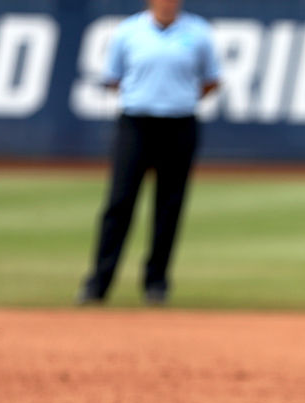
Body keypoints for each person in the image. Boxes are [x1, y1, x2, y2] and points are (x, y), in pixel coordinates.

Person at [78, 0, 220, 306]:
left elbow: (211, 80)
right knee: (119, 202)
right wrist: (144, 96)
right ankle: (98, 283)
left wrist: (177, 98)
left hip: (180, 123)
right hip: (136, 123)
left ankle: (156, 283)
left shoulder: (198, 32)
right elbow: (112, 79)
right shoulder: (128, 32)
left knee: (169, 206)